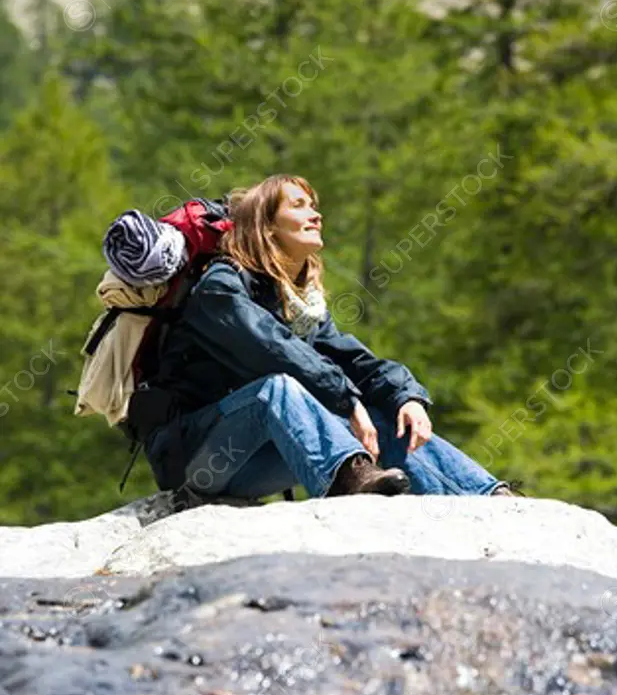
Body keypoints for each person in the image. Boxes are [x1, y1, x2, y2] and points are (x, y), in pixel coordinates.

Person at [141, 174, 514, 504]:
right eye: (299, 206)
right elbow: (274, 350)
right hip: (197, 460)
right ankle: (348, 480)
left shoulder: (296, 303)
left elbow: (353, 361)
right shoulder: (220, 290)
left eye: (314, 205)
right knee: (278, 389)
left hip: (254, 461)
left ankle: (487, 497)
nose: (316, 215)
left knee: (387, 418)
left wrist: (407, 395)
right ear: (267, 227)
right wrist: (348, 402)